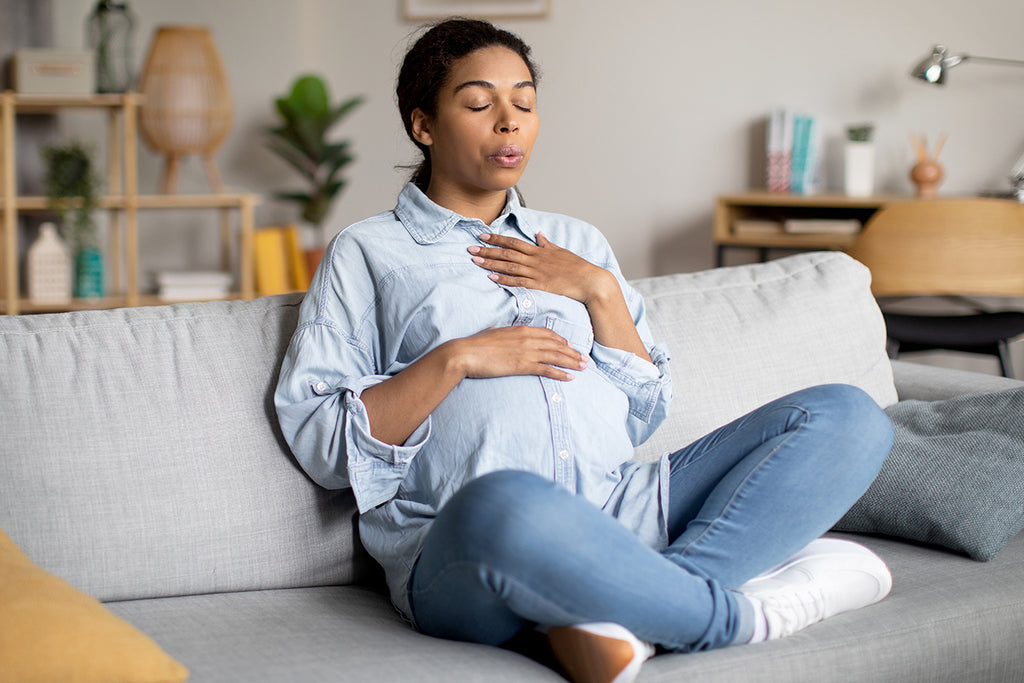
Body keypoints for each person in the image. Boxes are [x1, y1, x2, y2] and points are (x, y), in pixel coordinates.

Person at [274, 17, 896, 683]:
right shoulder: (370, 251)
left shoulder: (577, 242)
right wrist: (455, 358)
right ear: (423, 125)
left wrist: (598, 290)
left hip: (622, 504)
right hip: (467, 541)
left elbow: (643, 412)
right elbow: (321, 442)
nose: (508, 122)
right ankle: (738, 617)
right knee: (506, 499)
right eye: (480, 104)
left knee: (850, 417)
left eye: (525, 102)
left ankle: (631, 613)